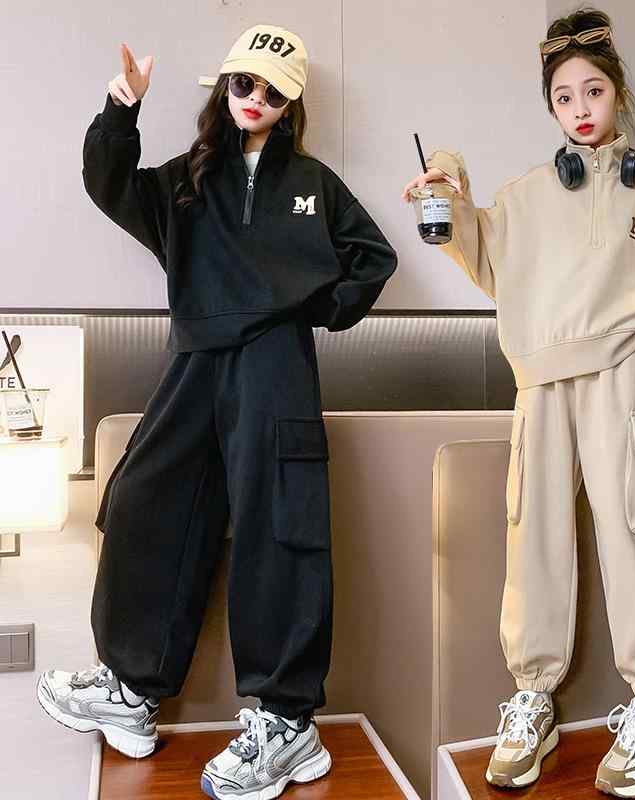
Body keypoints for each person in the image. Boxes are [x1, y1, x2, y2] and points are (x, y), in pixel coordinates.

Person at [37, 23, 397, 800]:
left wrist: (312, 308)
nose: (256, 98)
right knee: (147, 499)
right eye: (244, 83)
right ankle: (132, 690)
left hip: (275, 363)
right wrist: (121, 109)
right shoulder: (186, 180)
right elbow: (108, 183)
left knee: (279, 525)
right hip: (195, 358)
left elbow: (375, 259)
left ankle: (287, 723)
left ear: (291, 103)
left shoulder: (314, 184)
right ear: (224, 89)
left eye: (273, 90)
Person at [402, 7, 635, 797]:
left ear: (618, 94)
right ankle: (533, 699)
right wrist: (446, 178)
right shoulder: (524, 198)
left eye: (594, 90)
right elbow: (480, 253)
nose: (581, 107)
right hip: (539, 388)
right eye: (564, 96)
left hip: (620, 383)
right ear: (551, 108)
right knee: (535, 540)